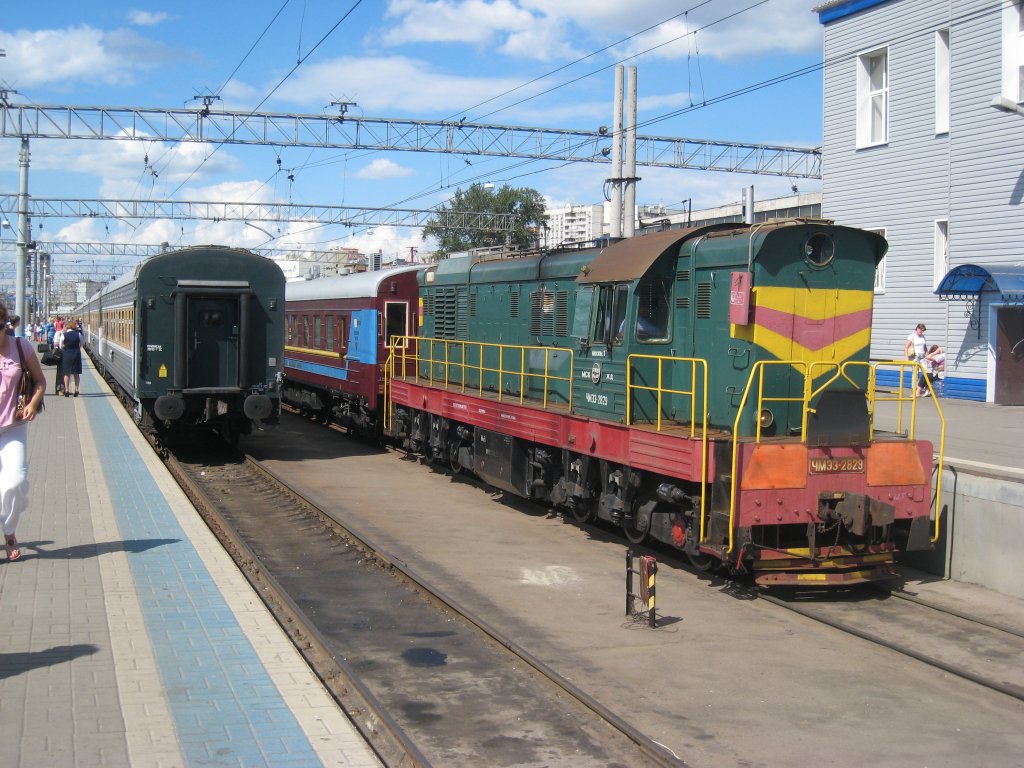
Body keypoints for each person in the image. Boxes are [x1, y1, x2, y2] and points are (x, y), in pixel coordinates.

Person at [0, 301, 45, 561]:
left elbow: (40, 381)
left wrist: (32, 403)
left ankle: (9, 530)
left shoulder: (21, 347)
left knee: (15, 482)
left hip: (13, 428)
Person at [60, 320, 83, 397]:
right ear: (74, 327)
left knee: (67, 373)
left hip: (67, 354)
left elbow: (60, 346)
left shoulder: (64, 335)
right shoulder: (78, 334)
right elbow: (82, 343)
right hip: (76, 354)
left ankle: (67, 390)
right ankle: (76, 390)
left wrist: (65, 348)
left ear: (67, 327)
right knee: (76, 373)